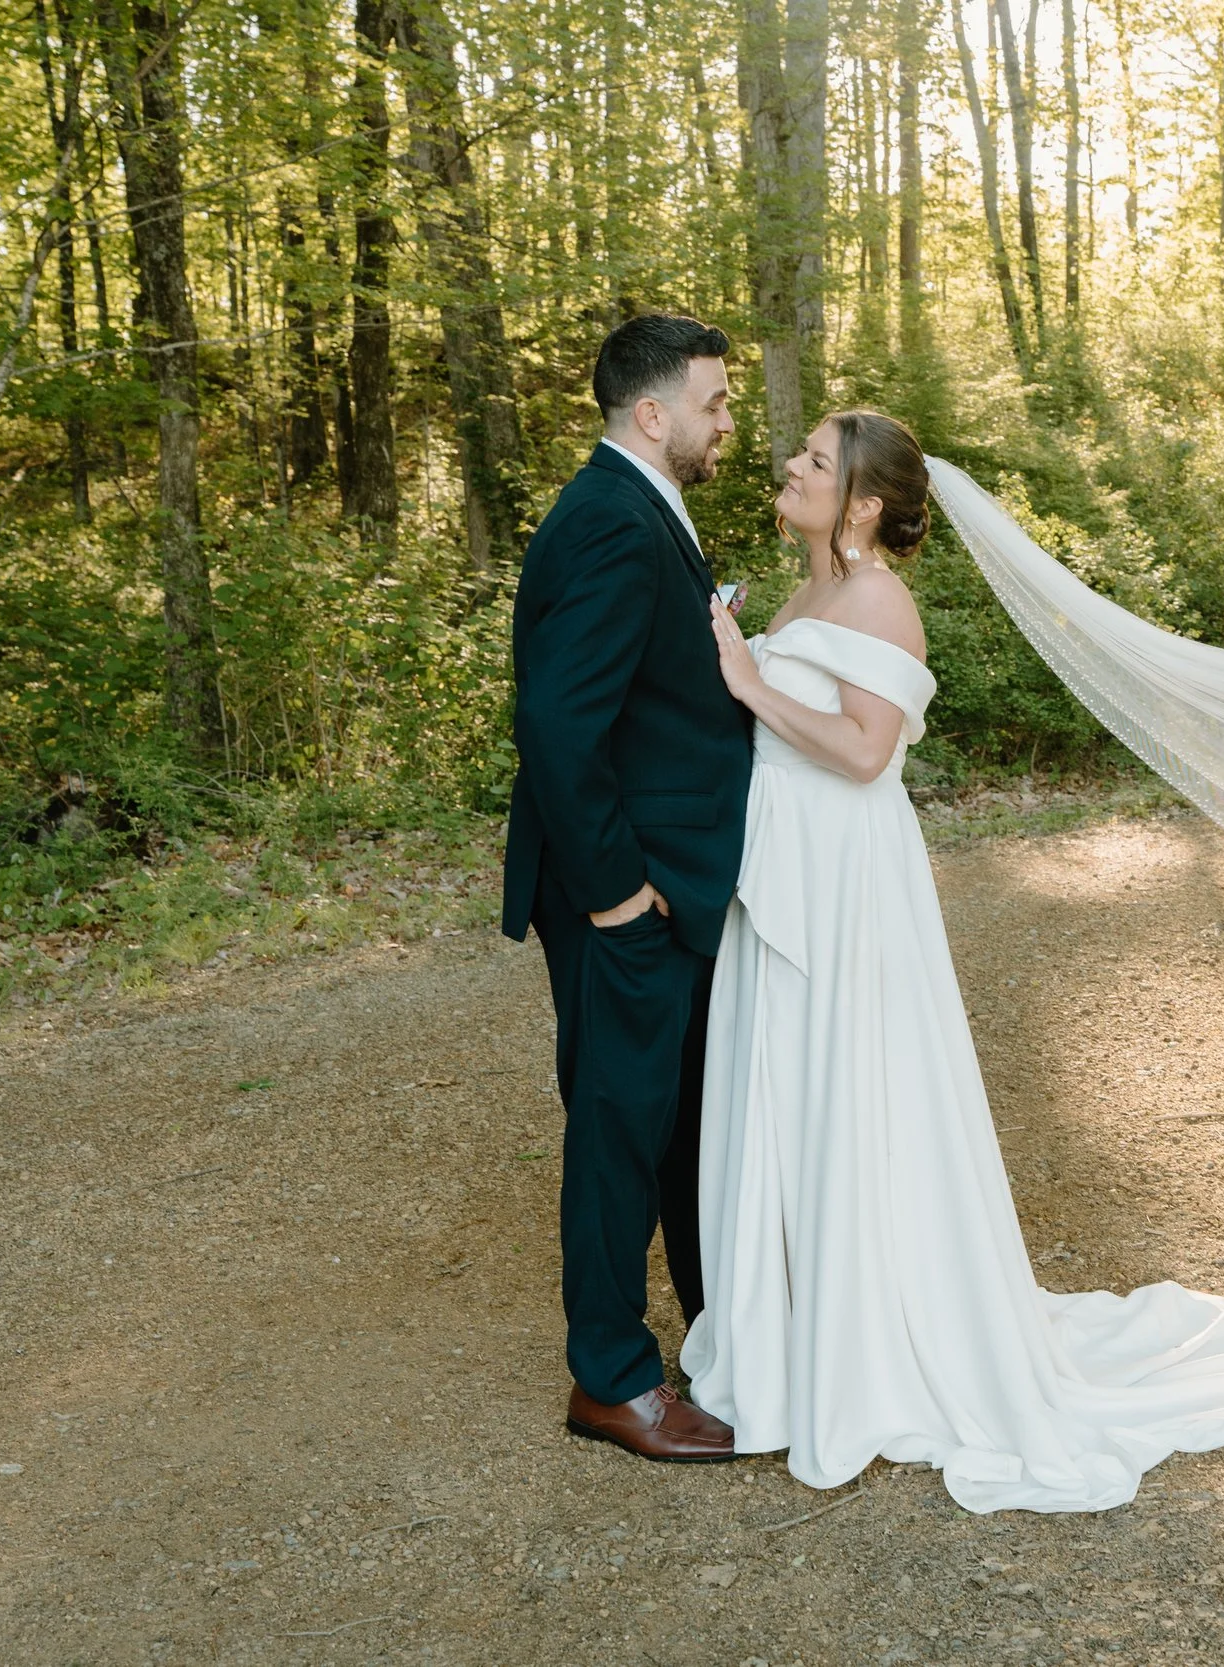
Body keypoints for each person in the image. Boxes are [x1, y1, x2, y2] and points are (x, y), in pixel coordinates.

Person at [680, 409, 1224, 1513]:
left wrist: (745, 678)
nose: (791, 466)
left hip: (847, 878)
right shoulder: (807, 592)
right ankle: (805, 1328)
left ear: (863, 503)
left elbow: (866, 753)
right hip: (791, 868)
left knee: (851, 1090)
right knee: (794, 1088)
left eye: (816, 460)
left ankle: (874, 1345)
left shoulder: (877, 598)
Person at [502, 314, 751, 1463]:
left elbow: (630, 684)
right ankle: (611, 1381)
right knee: (617, 1122)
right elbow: (559, 722)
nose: (726, 420)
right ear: (652, 413)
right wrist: (613, 894)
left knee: (678, 1117)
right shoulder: (608, 516)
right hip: (625, 892)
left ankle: (721, 1335)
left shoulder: (636, 504)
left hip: (668, 883)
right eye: (712, 401)